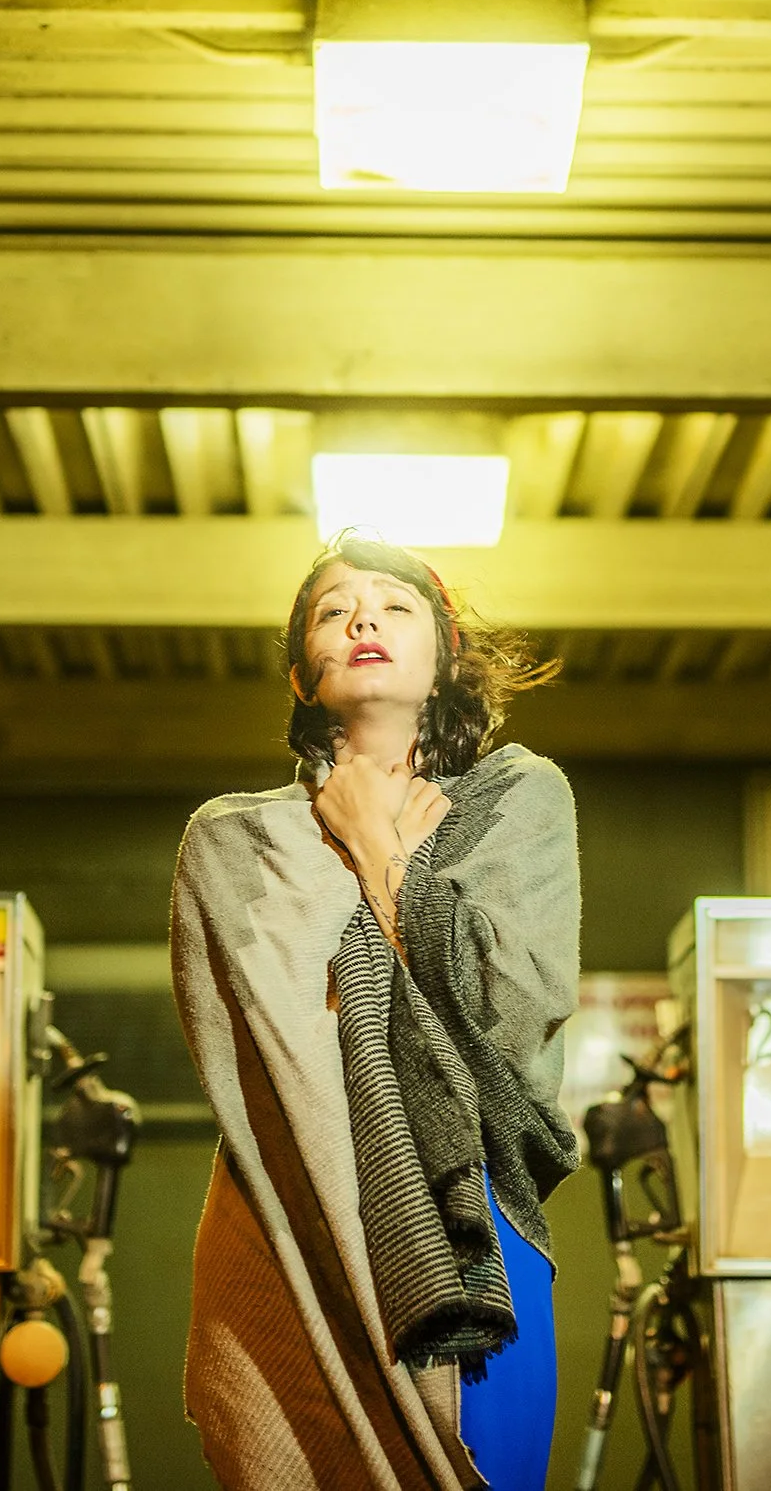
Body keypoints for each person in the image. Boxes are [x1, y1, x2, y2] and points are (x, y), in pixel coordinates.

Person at [170, 534, 580, 1491]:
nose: (362, 620)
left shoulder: (517, 797)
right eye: (331, 610)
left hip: (470, 1219)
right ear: (301, 676)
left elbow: (506, 1015)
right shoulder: (238, 837)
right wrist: (357, 847)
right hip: (288, 1217)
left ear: (442, 658)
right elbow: (253, 1047)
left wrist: (378, 853)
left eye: (394, 606)